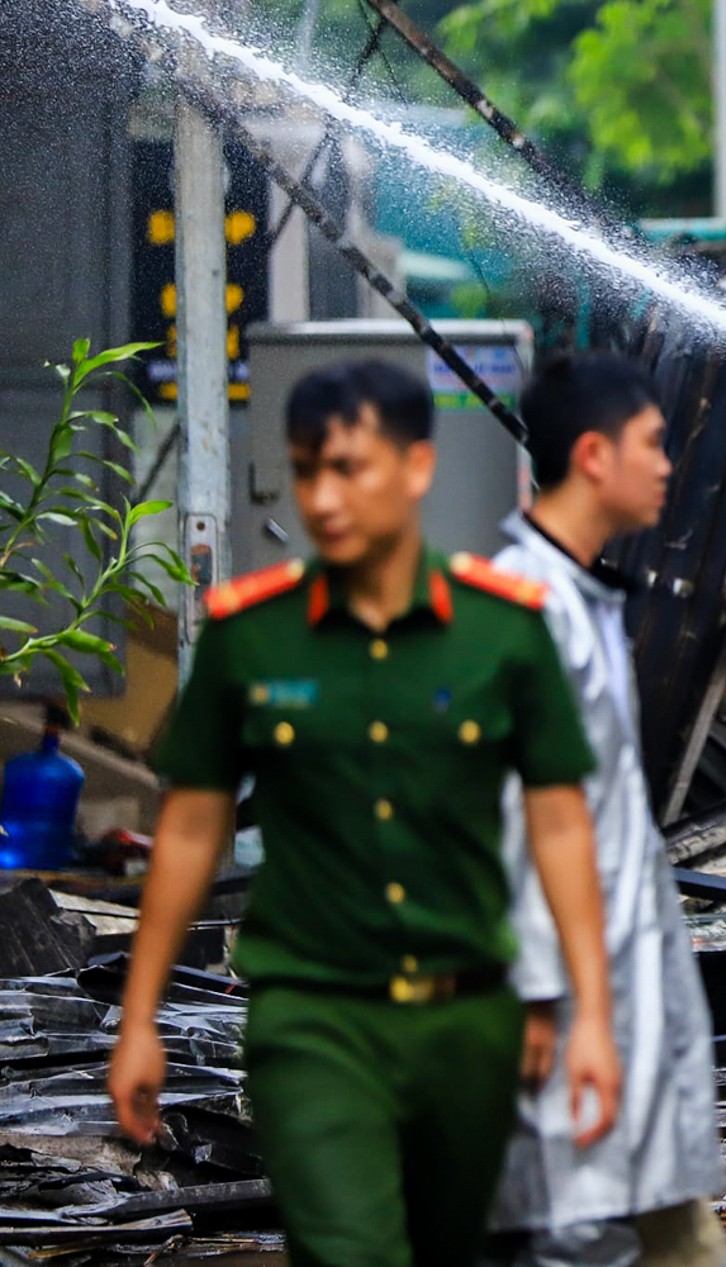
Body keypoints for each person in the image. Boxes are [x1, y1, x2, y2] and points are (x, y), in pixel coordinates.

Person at [107, 361, 623, 1267]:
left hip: (468, 1029)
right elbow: (190, 826)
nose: (325, 496)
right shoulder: (249, 634)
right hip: (313, 1023)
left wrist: (584, 1014)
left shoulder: (503, 629)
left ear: (417, 466)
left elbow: (559, 824)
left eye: (351, 467)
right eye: (308, 470)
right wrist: (140, 1016)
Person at [488, 354, 726, 1266]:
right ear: (594, 455)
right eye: (653, 444)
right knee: (574, 1233)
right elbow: (519, 827)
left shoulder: (578, 597)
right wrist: (552, 1001)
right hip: (570, 1021)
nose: (668, 465)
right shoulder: (528, 608)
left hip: (622, 1004)